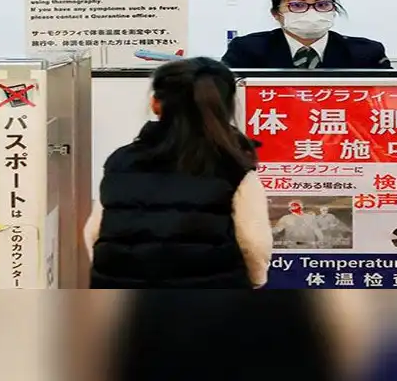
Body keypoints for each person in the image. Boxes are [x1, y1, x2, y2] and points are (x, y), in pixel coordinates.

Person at [84, 57, 272, 288]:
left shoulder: (121, 161)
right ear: (225, 106)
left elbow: (94, 232)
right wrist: (256, 280)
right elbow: (253, 242)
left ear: (155, 104)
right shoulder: (233, 166)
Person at [222, 0, 392, 69]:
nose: (312, 11)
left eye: (322, 4)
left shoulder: (366, 53)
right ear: (276, 14)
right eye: (297, 5)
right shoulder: (247, 50)